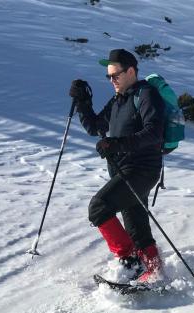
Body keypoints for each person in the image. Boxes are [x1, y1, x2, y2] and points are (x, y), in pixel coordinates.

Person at [69, 49, 165, 283]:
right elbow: (95, 127)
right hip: (124, 170)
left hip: (142, 169)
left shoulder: (146, 95)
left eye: (115, 75)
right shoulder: (119, 99)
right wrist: (83, 101)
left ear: (131, 71)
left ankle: (131, 263)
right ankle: (154, 272)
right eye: (109, 77)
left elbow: (154, 132)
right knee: (136, 226)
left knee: (99, 207)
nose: (112, 81)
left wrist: (117, 144)